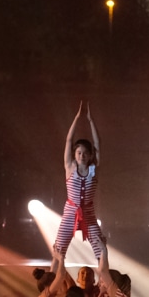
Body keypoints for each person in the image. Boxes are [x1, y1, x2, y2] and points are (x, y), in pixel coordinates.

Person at [54, 100, 106, 262]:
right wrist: (77, 118)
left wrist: (90, 121)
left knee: (102, 250)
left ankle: (103, 284)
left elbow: (97, 144)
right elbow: (68, 141)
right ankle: (52, 282)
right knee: (58, 251)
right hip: (70, 213)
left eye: (85, 153)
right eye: (78, 153)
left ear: (90, 155)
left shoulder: (93, 168)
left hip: (89, 215)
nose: (82, 156)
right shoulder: (70, 167)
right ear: (74, 155)